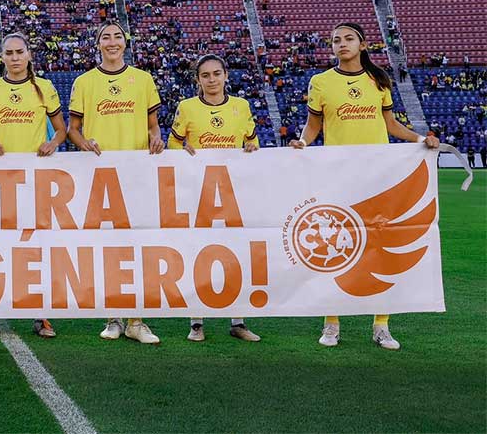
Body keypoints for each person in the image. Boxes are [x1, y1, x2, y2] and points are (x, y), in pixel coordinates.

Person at [290, 22, 439, 350]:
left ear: (362, 44)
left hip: (377, 176)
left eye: (347, 39)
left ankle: (381, 325)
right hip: (337, 176)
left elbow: (389, 124)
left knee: (379, 248)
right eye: (335, 40)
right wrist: (301, 142)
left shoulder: (379, 80)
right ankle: (331, 323)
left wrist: (419, 139)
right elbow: (313, 126)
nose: (341, 44)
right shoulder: (321, 82)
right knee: (334, 248)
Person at [66, 21, 164, 345]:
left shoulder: (143, 80)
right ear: (98, 44)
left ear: (125, 42)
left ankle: (137, 320)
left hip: (136, 175)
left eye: (117, 37)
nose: (112, 42)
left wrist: (156, 140)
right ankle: (113, 316)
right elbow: (73, 129)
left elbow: (154, 126)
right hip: (100, 176)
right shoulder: (84, 82)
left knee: (137, 246)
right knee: (107, 248)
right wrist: (85, 144)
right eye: (105, 37)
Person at [0, 33, 66, 339]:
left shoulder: (45, 88)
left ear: (29, 54)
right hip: (0, 180)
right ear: (1, 56)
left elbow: (62, 129)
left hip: (36, 180)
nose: (14, 57)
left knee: (37, 247)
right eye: (9, 52)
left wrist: (52, 143)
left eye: (19, 52)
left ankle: (42, 316)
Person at [167, 54, 261, 343]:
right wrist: (184, 153)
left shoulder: (241, 106)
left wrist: (250, 149)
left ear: (225, 76)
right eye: (205, 75)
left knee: (235, 256)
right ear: (198, 80)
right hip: (198, 193)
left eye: (216, 74)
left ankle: (238, 321)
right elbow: (173, 144)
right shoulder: (187, 107)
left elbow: (253, 142)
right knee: (199, 255)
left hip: (232, 194)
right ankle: (196, 322)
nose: (211, 80)